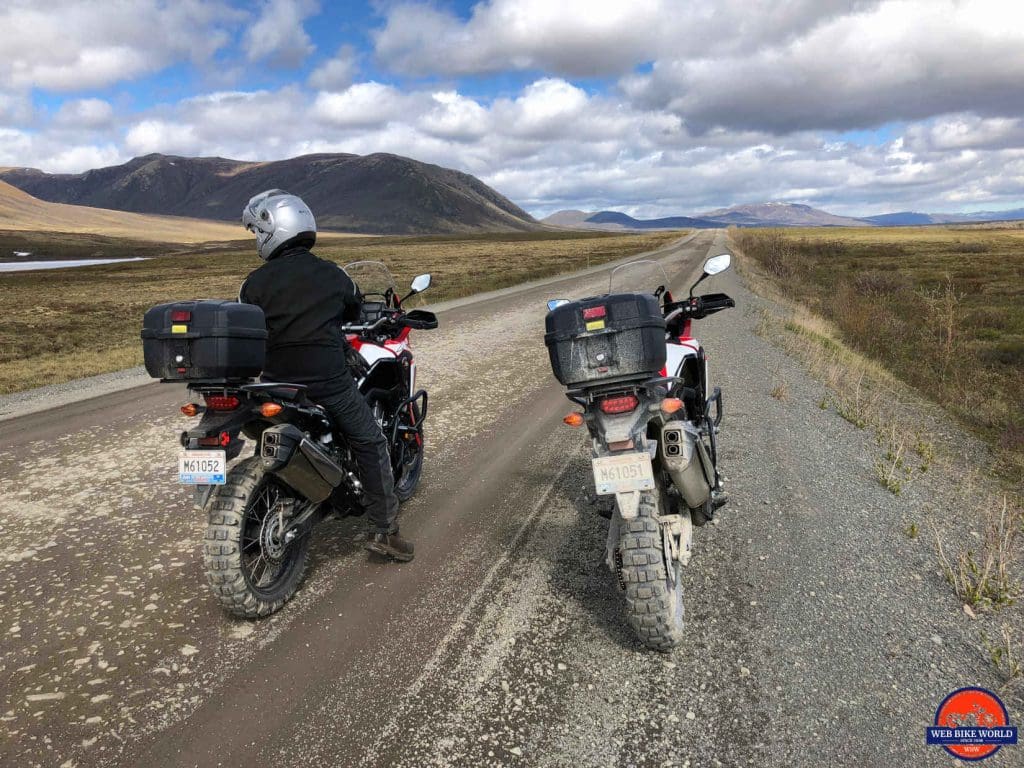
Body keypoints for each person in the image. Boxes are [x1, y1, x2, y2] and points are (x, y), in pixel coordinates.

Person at [239, 189, 413, 562]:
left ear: (273, 232)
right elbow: (355, 307)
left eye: (257, 232)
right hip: (327, 383)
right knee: (371, 442)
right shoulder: (333, 275)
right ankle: (385, 530)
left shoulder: (251, 285)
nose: (256, 240)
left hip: (275, 384)